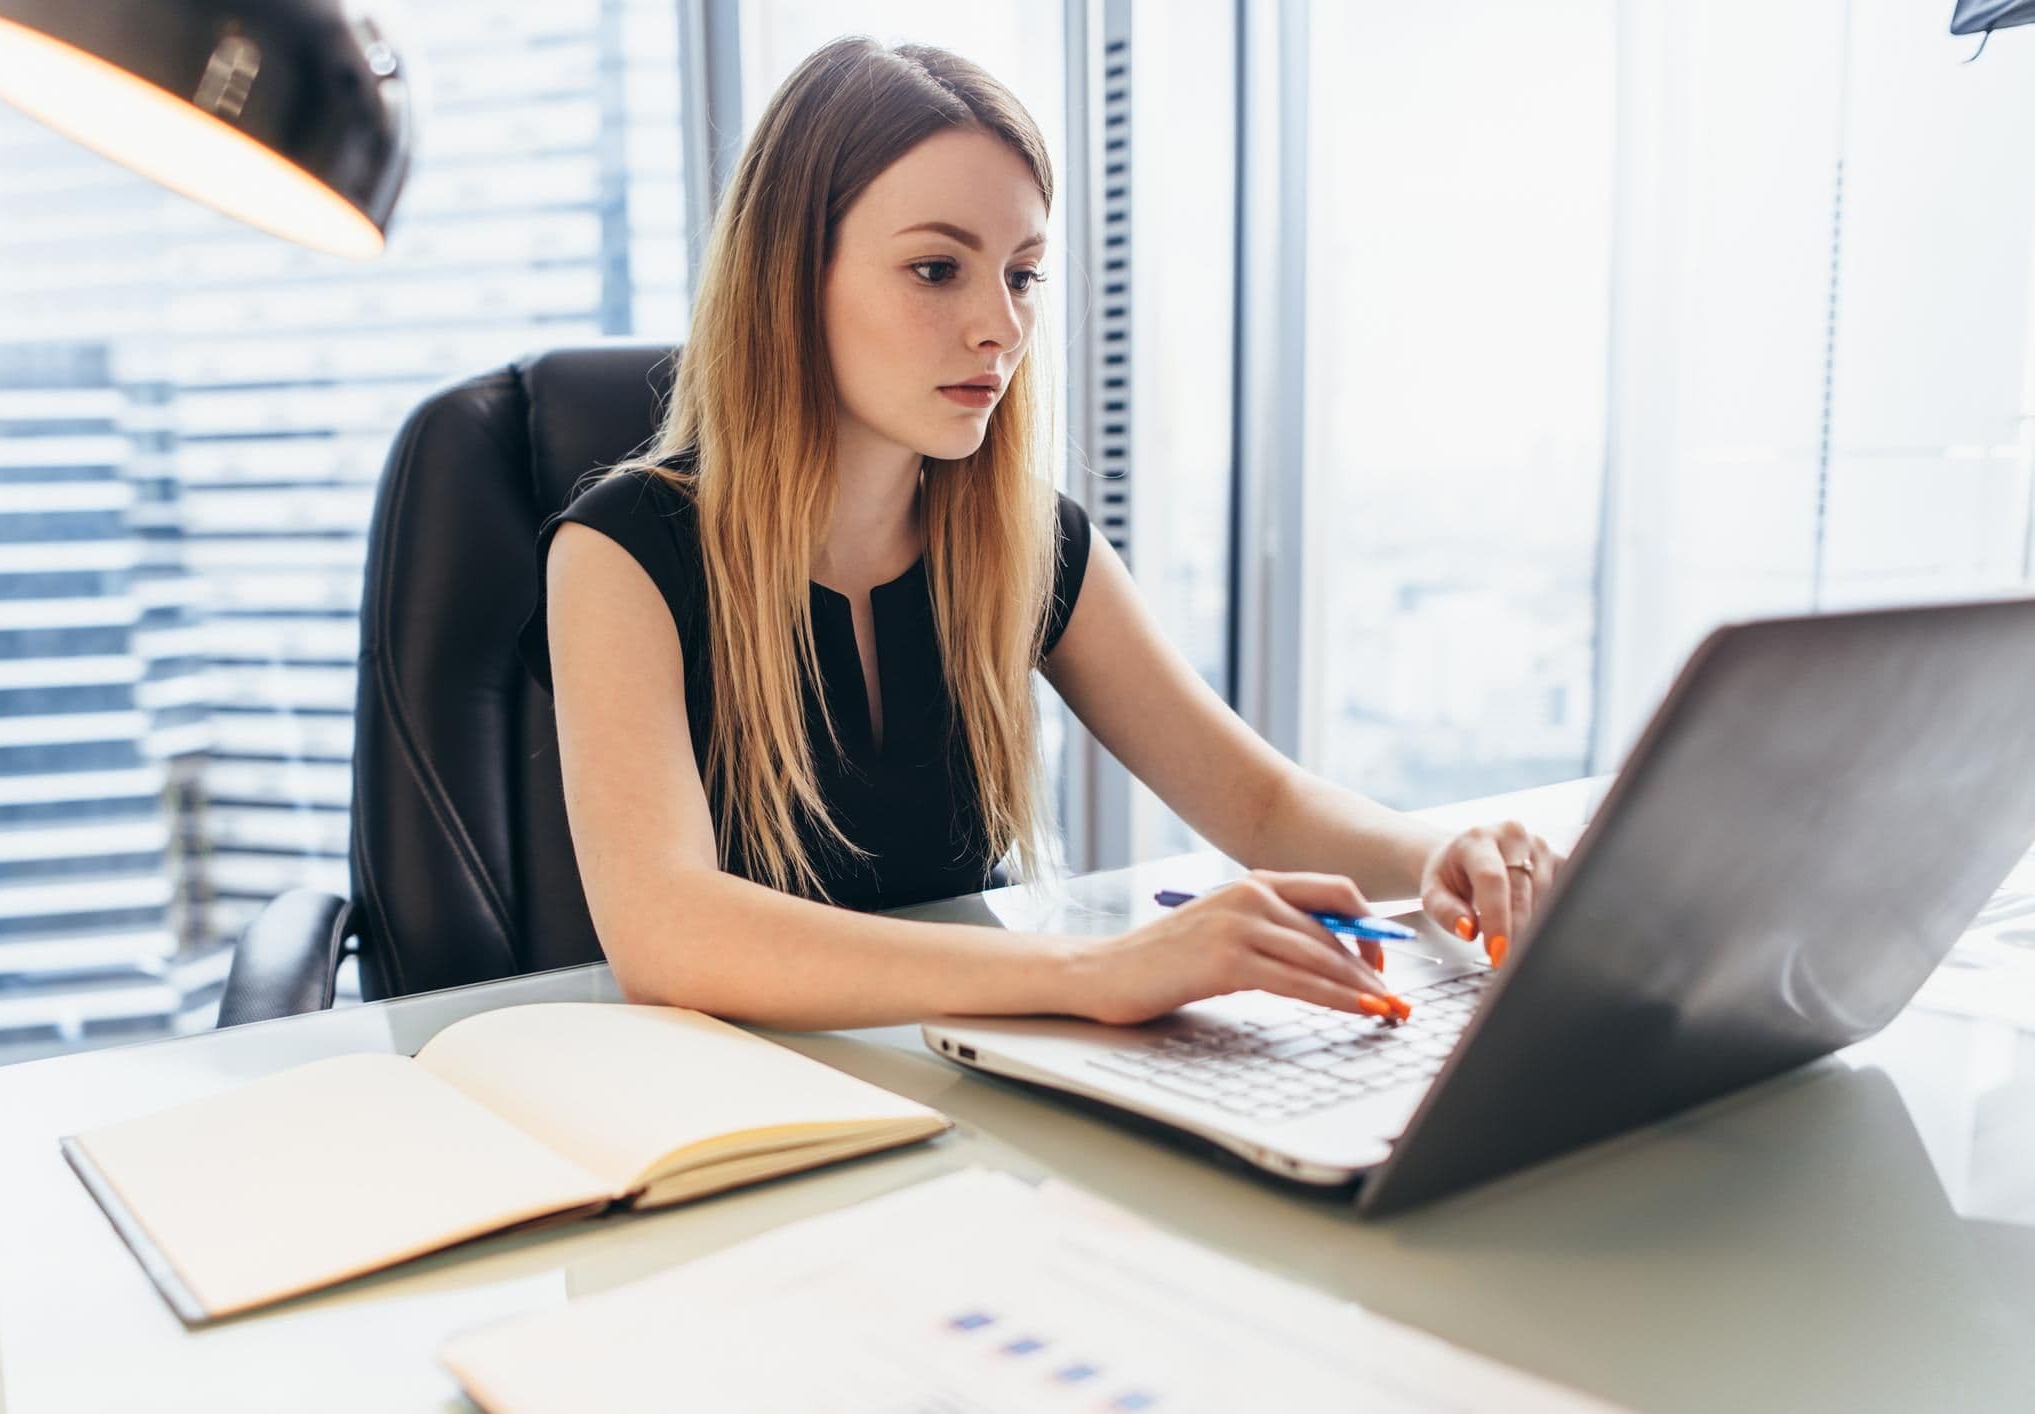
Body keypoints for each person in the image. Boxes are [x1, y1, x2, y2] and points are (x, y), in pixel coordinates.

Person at [520, 36, 1558, 1033]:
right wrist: (1098, 971)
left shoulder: (1025, 539)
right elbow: (667, 931)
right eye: (937, 270)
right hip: (737, 1123)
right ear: (791, 279)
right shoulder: (621, 551)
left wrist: (1445, 858)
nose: (1002, 327)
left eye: (1020, 274)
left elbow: (1259, 800)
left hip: (962, 1089)